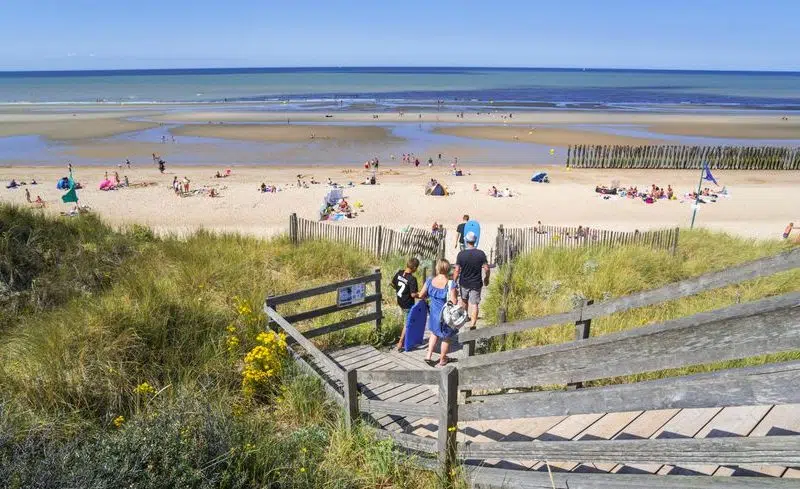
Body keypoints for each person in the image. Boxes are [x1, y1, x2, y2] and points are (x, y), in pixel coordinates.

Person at [418, 259, 458, 367]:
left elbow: (421, 295)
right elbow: (454, 301)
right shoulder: (451, 284)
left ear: (437, 268)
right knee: (446, 337)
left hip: (434, 314)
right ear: (448, 269)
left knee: (434, 333)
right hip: (445, 316)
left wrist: (429, 296)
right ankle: (443, 359)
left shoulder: (430, 280)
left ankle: (428, 356)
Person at [453, 231, 489, 331]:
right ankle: (473, 323)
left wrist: (454, 281)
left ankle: (465, 319)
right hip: (476, 282)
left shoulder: (461, 254)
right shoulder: (481, 254)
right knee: (475, 304)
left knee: (464, 300)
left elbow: (457, 270)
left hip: (464, 282)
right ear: (475, 241)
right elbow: (486, 268)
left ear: (466, 241)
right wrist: (487, 278)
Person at [391, 257, 420, 351]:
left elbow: (392, 284)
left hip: (400, 301)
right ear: (415, 268)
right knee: (407, 323)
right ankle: (400, 343)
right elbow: (413, 294)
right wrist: (422, 295)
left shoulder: (399, 273)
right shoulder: (412, 279)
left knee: (407, 320)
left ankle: (406, 337)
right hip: (407, 304)